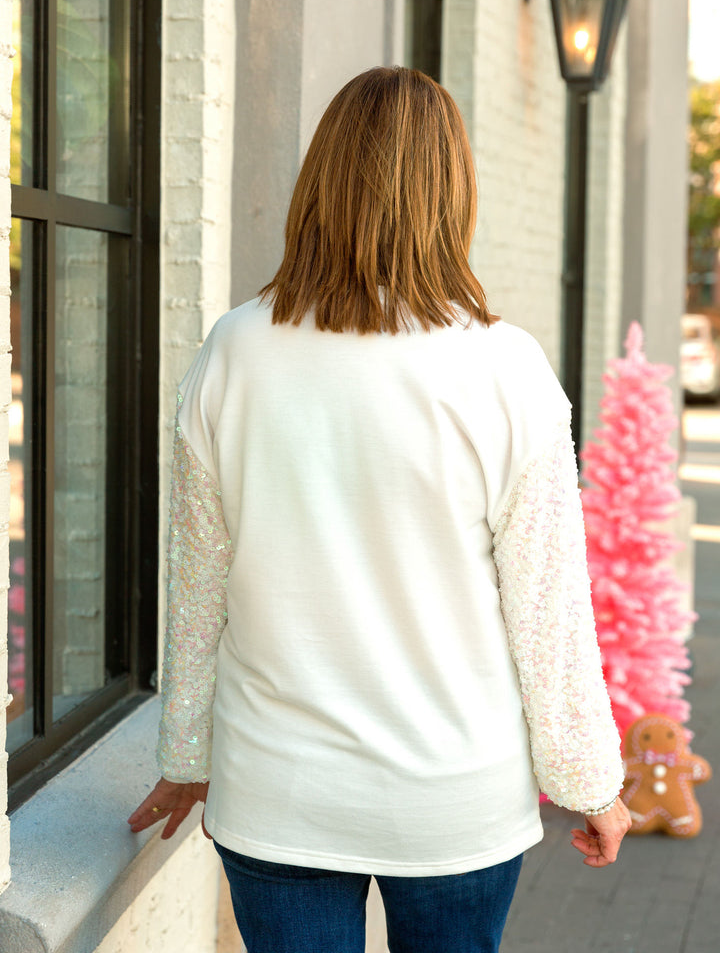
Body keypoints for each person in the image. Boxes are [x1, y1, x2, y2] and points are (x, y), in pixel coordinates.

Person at [128, 66, 631, 953]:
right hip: (454, 801)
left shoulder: (234, 351)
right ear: (455, 191)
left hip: (278, 790)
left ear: (320, 181)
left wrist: (188, 757)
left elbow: (197, 586)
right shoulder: (507, 370)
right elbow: (549, 614)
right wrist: (590, 783)